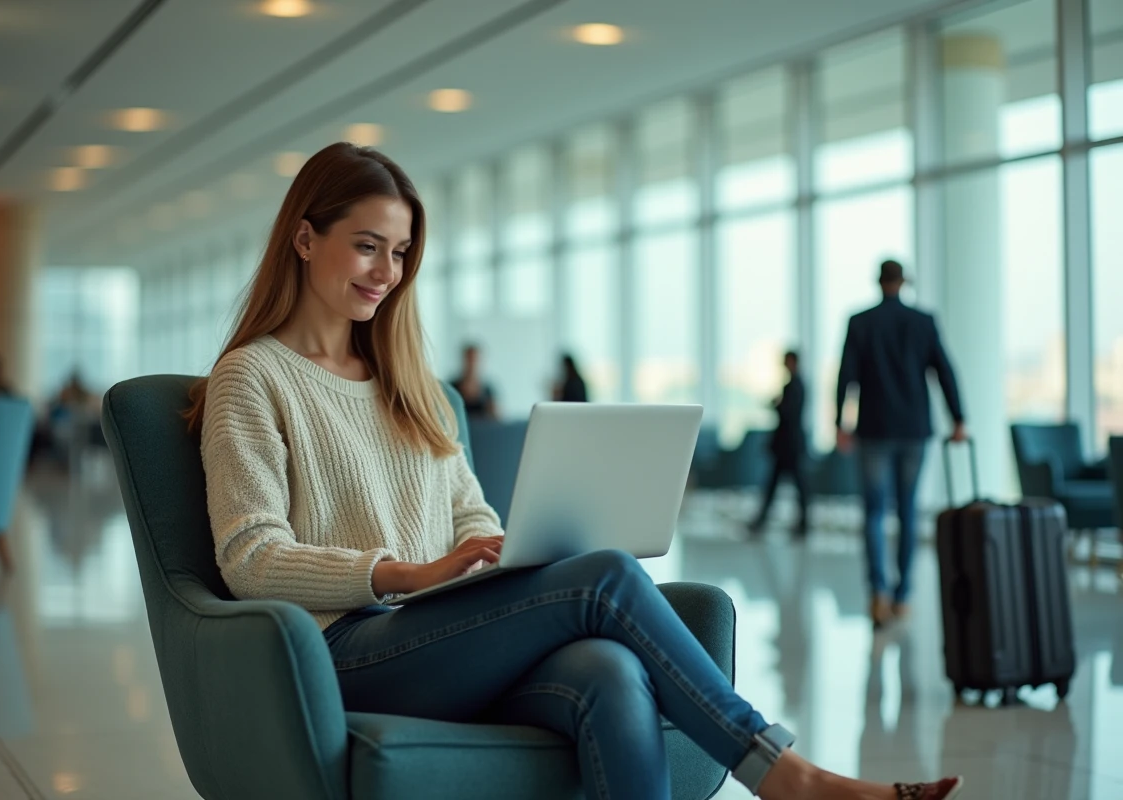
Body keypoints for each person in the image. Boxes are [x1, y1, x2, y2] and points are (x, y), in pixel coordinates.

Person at [188, 143, 962, 800]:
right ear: (302, 238)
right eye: (367, 245)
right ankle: (790, 778)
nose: (386, 271)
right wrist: (407, 574)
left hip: (441, 634)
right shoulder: (252, 378)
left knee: (610, 670)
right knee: (604, 578)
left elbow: (469, 514)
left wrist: (498, 554)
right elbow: (250, 558)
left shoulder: (410, 381)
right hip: (346, 652)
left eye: (400, 253)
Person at [836, 260, 966, 629]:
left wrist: (839, 423)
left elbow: (846, 375)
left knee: (875, 513)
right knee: (908, 510)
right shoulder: (923, 321)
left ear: (879, 283)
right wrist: (958, 417)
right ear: (903, 283)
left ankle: (878, 591)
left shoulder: (860, 322)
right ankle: (903, 594)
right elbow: (944, 369)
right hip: (913, 429)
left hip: (873, 429)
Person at [749, 350, 809, 537]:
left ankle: (801, 524)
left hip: (789, 446)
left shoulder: (795, 386)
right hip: (788, 446)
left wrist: (778, 405)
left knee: (794, 487)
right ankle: (763, 523)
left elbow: (789, 416)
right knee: (780, 487)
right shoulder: (795, 385)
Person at [450, 343, 498, 419]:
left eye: (475, 360)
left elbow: (497, 419)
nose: (472, 364)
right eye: (469, 359)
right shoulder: (451, 388)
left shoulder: (488, 391)